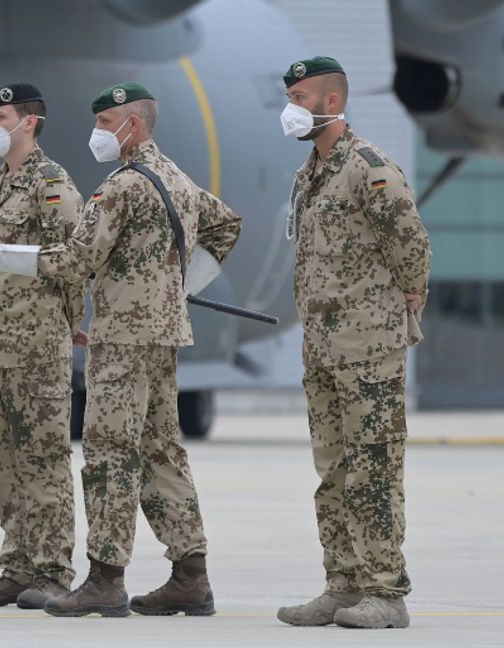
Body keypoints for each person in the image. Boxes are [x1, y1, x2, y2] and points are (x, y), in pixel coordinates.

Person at [0, 82, 242, 618]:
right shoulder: (175, 177)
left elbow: (72, 260)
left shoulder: (118, 187)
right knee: (162, 450)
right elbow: (226, 223)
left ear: (132, 126)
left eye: (105, 124)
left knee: (110, 454)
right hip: (163, 333)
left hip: (123, 338)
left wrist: (4, 258)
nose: (98, 134)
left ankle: (106, 580)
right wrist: (176, 287)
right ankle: (191, 575)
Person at [274, 56, 431, 630]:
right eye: (289, 97)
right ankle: (342, 585)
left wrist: (409, 299)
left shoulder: (369, 168)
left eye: (300, 97)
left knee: (374, 469)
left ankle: (386, 592)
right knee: (333, 470)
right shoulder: (309, 174)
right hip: (322, 348)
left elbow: (410, 242)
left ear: (332, 103)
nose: (290, 108)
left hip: (368, 346)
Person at [0, 83, 86, 610]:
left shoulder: (51, 184)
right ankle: (18, 565)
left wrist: (74, 320)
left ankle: (53, 570)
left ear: (28, 122)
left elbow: (73, 257)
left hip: (36, 342)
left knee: (44, 458)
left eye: (0, 114)